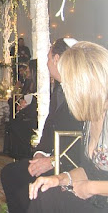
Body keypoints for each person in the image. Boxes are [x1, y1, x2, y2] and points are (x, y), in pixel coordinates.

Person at [0, 38, 83, 213]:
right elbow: (49, 125)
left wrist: (52, 162)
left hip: (70, 166)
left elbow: (80, 142)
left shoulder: (81, 92)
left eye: (48, 57)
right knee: (10, 173)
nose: (46, 63)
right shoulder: (59, 86)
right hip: (52, 157)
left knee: (23, 187)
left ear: (57, 59)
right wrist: (40, 153)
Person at [28, 41, 108, 212]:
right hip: (92, 199)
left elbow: (92, 181)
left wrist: (90, 188)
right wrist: (59, 179)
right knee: (44, 194)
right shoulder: (91, 118)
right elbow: (89, 170)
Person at [3, 59, 38, 159]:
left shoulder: (37, 85)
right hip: (27, 111)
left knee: (15, 125)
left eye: (27, 69)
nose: (25, 71)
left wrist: (25, 107)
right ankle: (13, 151)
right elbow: (23, 96)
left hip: (33, 114)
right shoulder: (28, 82)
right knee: (11, 124)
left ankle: (21, 153)